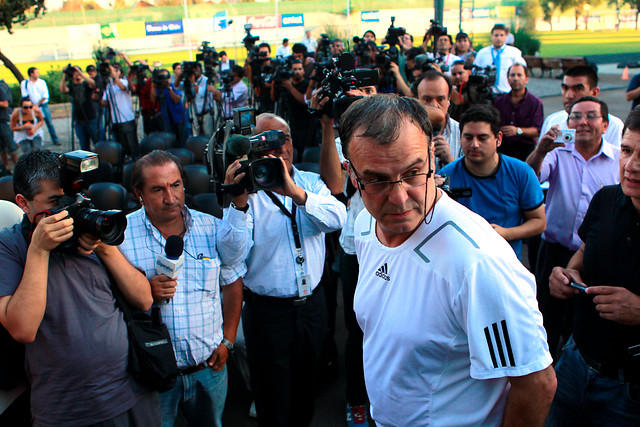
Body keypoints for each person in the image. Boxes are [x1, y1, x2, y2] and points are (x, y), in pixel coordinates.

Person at [340, 94, 556, 426]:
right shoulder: (366, 224)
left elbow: (536, 383)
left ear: (431, 157)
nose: (399, 199)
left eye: (413, 173)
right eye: (377, 179)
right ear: (351, 174)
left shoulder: (477, 262)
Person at [0, 150, 160, 426]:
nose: (70, 209)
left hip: (131, 395)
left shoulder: (89, 229)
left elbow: (144, 299)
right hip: (64, 409)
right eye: (56, 202)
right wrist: (39, 249)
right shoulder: (10, 245)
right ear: (23, 203)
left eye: (74, 199)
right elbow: (23, 329)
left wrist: (105, 248)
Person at [119, 150, 248, 427]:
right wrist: (143, 290)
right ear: (138, 193)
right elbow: (108, 305)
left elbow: (233, 284)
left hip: (209, 369)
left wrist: (228, 341)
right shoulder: (121, 239)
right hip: (149, 375)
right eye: (158, 189)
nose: (171, 197)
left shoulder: (212, 228)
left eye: (175, 185)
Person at [240, 113, 346, 426]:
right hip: (267, 312)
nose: (278, 146)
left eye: (283, 137)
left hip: (312, 306)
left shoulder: (311, 182)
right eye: (267, 139)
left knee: (305, 392)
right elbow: (233, 253)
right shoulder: (246, 192)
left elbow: (336, 218)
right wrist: (240, 200)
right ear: (254, 147)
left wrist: (295, 192)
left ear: (292, 141)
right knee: (272, 400)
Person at [546, 106, 640, 425]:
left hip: (628, 390)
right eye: (627, 150)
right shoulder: (608, 198)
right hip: (574, 361)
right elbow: (586, 250)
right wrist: (568, 273)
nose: (632, 166)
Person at [526, 96, 620, 358]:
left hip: (593, 256)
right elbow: (529, 181)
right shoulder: (557, 153)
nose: (582, 122)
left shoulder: (617, 159)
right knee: (546, 316)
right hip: (554, 251)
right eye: (576, 116)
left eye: (591, 116)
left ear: (605, 123)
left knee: (585, 319)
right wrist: (541, 149)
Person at [314, 82, 378, 425]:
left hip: (394, 242)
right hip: (355, 245)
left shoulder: (389, 133)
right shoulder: (339, 144)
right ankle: (356, 398)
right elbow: (336, 186)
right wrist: (327, 126)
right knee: (357, 328)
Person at [439, 104, 545, 259]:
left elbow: (539, 221)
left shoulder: (521, 172)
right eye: (468, 137)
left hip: (506, 264)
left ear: (498, 139)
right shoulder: (446, 176)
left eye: (482, 138)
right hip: (461, 263)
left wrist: (505, 233)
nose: (474, 144)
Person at [540, 65, 625, 147]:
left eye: (578, 89)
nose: (569, 95)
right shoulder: (552, 121)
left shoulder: (614, 126)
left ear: (594, 92)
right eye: (565, 88)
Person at [493, 63, 544, 160]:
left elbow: (537, 130)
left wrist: (518, 131)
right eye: (512, 75)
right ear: (507, 79)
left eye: (519, 75)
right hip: (502, 150)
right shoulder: (499, 102)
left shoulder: (535, 103)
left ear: (526, 79)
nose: (515, 78)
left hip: (525, 151)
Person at [413, 70, 462, 170]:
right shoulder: (405, 133)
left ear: (448, 100)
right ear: (417, 100)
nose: (434, 105)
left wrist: (450, 160)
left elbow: (470, 178)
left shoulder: (462, 132)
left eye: (440, 99)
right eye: (427, 99)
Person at [274, 60, 312, 160]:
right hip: (292, 124)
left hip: (305, 125)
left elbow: (305, 101)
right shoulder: (287, 85)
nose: (297, 72)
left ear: (304, 71)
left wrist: (290, 88)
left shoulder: (307, 85)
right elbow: (274, 98)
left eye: (300, 69)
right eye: (294, 69)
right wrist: (275, 81)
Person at [473, 24, 526, 94]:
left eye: (501, 35)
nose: (499, 38)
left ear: (506, 37)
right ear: (491, 36)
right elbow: (474, 71)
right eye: (496, 35)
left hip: (507, 91)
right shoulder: (482, 53)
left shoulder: (514, 53)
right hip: (486, 92)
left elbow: (522, 71)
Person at [101, 63, 138, 157]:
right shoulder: (109, 86)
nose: (113, 72)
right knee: (121, 144)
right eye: (112, 70)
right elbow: (104, 102)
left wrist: (115, 78)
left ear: (120, 73)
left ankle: (134, 159)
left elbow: (123, 87)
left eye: (116, 70)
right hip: (115, 120)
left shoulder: (124, 82)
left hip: (127, 119)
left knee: (132, 143)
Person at [60, 65, 98, 151]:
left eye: (78, 72)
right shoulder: (71, 86)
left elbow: (93, 84)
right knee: (84, 145)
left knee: (97, 142)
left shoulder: (86, 84)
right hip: (78, 120)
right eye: (74, 73)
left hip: (91, 117)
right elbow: (63, 90)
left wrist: (81, 74)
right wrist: (64, 75)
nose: (77, 74)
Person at [20, 67, 60, 146]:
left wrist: (37, 104)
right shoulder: (25, 83)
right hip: (31, 107)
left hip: (43, 105)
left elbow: (45, 95)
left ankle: (55, 139)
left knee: (49, 122)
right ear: (31, 74)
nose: (38, 74)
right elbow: (25, 96)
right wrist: (32, 105)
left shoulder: (42, 82)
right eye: (37, 72)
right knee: (34, 124)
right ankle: (36, 140)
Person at [153, 69, 186, 145]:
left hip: (178, 118)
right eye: (161, 77)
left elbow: (177, 100)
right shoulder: (158, 89)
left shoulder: (173, 86)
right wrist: (153, 83)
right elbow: (152, 99)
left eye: (166, 77)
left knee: (181, 141)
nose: (164, 80)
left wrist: (169, 88)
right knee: (170, 141)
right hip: (167, 120)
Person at [0, 78, 18, 171]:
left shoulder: (1, 87)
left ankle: (18, 168)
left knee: (11, 146)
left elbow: (5, 104)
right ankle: (7, 168)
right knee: (1, 148)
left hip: (3, 120)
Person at [86, 64, 106, 141]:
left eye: (93, 71)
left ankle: (102, 141)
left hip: (100, 105)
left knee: (99, 126)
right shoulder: (88, 81)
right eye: (89, 72)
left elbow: (95, 95)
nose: (91, 73)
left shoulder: (99, 79)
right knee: (96, 126)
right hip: (94, 106)